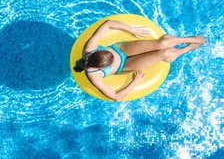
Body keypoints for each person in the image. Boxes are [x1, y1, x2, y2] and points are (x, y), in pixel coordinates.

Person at [73, 19, 207, 101]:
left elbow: (108, 24)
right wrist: (134, 82)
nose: (114, 58)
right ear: (99, 68)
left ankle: (191, 39)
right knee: (165, 53)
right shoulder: (94, 76)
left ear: (98, 51)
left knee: (162, 43)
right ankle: (186, 49)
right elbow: (115, 97)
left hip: (123, 49)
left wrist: (131, 29)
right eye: (110, 61)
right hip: (125, 66)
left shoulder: (90, 47)